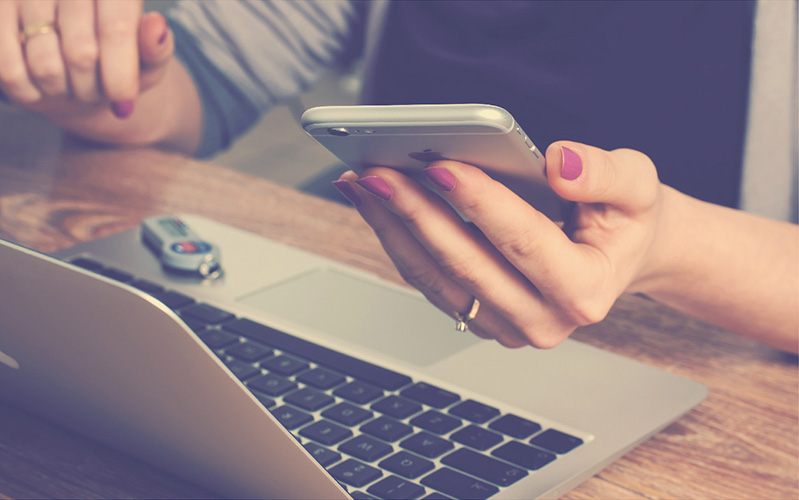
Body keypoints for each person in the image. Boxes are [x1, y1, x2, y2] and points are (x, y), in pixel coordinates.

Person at [0, 0, 796, 353]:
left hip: (716, 384)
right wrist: (92, 71)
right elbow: (202, 80)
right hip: (382, 309)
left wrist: (668, 246)